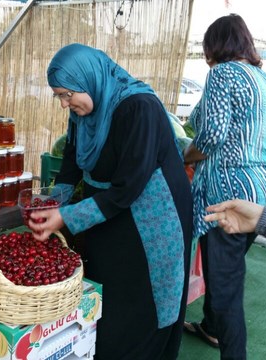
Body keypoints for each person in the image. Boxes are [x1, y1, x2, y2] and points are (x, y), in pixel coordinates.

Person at [26, 43, 193, 359]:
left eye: (66, 95)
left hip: (150, 218)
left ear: (88, 79)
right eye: (58, 96)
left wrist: (66, 217)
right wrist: (54, 201)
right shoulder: (86, 112)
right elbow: (72, 162)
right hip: (105, 211)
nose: (64, 104)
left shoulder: (139, 109)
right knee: (107, 287)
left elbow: (128, 188)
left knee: (142, 301)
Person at [182, 14, 266, 358]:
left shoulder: (223, 73)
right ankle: (211, 327)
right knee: (226, 268)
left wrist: (186, 154)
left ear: (216, 46)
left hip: (230, 196)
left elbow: (210, 136)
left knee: (226, 285)